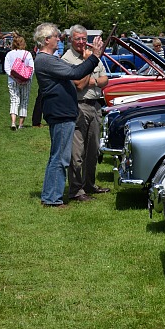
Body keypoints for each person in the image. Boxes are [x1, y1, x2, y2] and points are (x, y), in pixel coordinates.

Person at [34, 22, 105, 207]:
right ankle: (52, 199)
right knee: (61, 158)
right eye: (56, 36)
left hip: (61, 112)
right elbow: (76, 72)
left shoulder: (48, 59)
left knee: (57, 156)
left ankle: (50, 196)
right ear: (46, 39)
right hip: (61, 114)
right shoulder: (46, 60)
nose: (59, 39)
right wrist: (95, 56)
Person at [63, 24, 111, 202]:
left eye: (84, 39)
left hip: (96, 106)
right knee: (77, 153)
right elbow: (79, 84)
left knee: (93, 150)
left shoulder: (92, 55)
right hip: (78, 106)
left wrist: (93, 79)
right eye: (78, 39)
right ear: (70, 40)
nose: (82, 42)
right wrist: (89, 64)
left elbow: (105, 80)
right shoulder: (67, 59)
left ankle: (89, 184)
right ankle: (76, 190)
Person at [4, 35, 35, 130]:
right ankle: (21, 124)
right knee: (24, 101)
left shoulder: (9, 54)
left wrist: (15, 78)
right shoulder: (27, 54)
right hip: (25, 81)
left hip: (12, 80)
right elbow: (31, 68)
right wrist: (26, 79)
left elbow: (7, 68)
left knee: (14, 100)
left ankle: (13, 122)